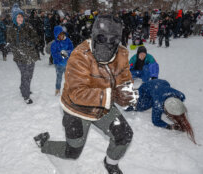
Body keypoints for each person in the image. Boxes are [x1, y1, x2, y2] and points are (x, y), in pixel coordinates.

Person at [34, 15, 138, 174]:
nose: (107, 44)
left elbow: (123, 78)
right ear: (95, 35)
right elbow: (77, 93)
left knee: (124, 135)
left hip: (103, 106)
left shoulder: (121, 54)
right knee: (72, 152)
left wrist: (127, 92)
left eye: (113, 40)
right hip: (76, 110)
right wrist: (112, 95)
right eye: (102, 38)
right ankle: (45, 144)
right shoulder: (80, 54)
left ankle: (110, 163)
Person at [126, 79, 196, 144]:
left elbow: (180, 102)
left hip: (162, 82)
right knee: (140, 107)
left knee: (155, 94)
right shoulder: (158, 103)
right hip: (145, 88)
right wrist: (170, 127)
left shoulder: (181, 95)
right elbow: (156, 121)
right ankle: (133, 94)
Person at [7, 4, 40, 104]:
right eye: (18, 17)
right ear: (14, 18)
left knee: (29, 75)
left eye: (21, 16)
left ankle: (24, 87)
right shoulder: (11, 29)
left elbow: (36, 38)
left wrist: (30, 42)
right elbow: (9, 42)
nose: (20, 18)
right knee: (25, 75)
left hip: (30, 55)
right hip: (19, 56)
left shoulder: (28, 26)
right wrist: (14, 46)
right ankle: (26, 95)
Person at [51, 25, 74, 96]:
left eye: (62, 34)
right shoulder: (54, 44)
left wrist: (67, 53)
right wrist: (61, 55)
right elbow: (54, 55)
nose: (61, 36)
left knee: (68, 77)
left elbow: (72, 49)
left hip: (67, 64)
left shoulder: (68, 41)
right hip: (58, 64)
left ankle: (69, 89)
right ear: (56, 35)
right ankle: (57, 90)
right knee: (59, 78)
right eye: (59, 34)